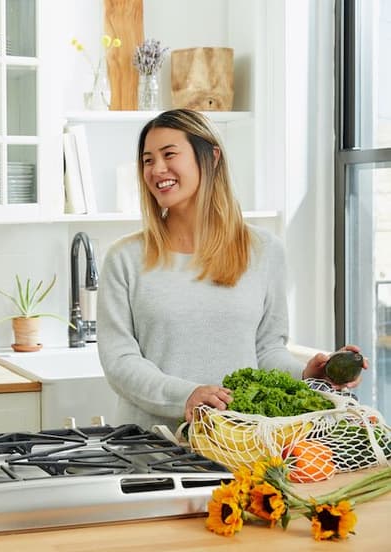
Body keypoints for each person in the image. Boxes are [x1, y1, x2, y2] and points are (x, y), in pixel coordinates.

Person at [96, 108, 368, 431]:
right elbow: (120, 362)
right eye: (148, 160)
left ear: (211, 157)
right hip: (151, 448)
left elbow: (266, 351)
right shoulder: (124, 259)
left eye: (169, 154)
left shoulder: (264, 251)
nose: (157, 169)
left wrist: (307, 374)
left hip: (239, 444)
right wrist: (187, 396)